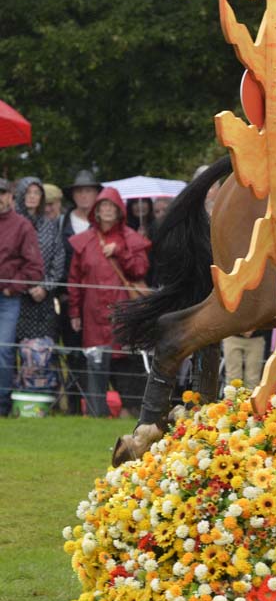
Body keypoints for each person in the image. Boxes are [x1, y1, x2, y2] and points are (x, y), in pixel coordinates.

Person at [68, 187, 151, 417]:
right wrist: (74, 312)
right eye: (103, 206)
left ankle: (132, 411)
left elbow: (140, 269)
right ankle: (96, 414)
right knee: (95, 364)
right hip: (93, 314)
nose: (106, 210)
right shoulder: (84, 241)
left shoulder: (130, 238)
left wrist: (121, 251)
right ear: (96, 210)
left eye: (111, 206)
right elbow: (74, 280)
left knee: (125, 363)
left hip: (123, 312)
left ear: (119, 211)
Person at [14, 177, 66, 393]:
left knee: (44, 351)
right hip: (16, 297)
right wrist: (27, 286)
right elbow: (10, 260)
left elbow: (59, 257)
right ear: (21, 195)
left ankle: (43, 397)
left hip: (43, 301)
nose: (33, 197)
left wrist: (45, 286)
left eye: (37, 193)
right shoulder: (12, 223)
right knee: (12, 350)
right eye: (29, 193)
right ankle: (10, 398)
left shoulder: (49, 225)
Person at [0, 178, 44, 416]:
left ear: (10, 196)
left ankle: (2, 406)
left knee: (3, 350)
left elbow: (35, 268)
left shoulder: (22, 226)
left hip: (7, 299)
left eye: (2, 193)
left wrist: (11, 287)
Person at [60, 169, 102, 413]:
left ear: (97, 195)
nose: (84, 195)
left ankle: (98, 406)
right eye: (80, 191)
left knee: (99, 356)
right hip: (70, 298)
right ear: (73, 195)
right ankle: (73, 406)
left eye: (89, 190)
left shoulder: (107, 221)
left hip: (98, 300)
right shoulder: (62, 223)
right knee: (73, 352)